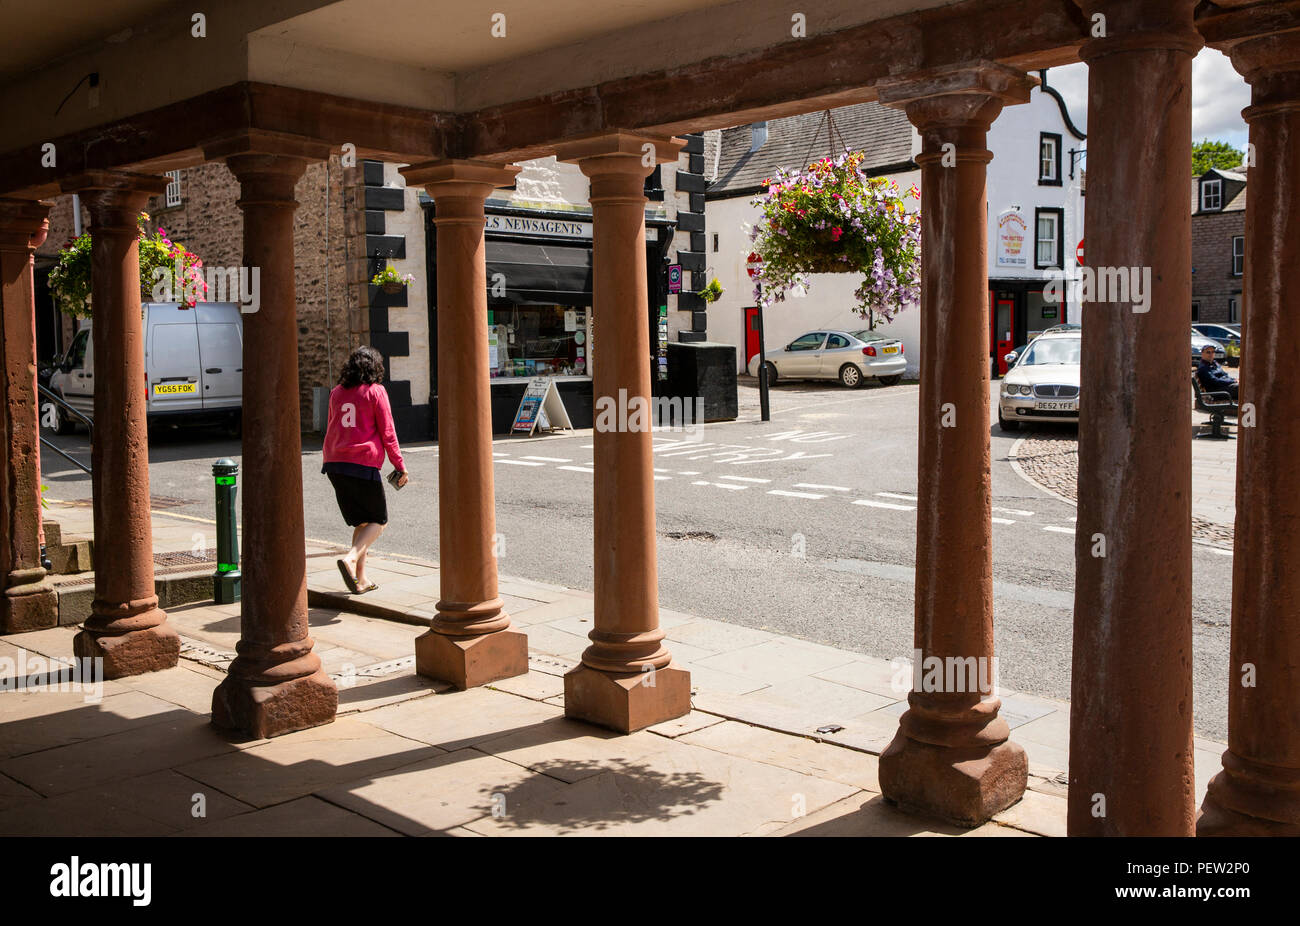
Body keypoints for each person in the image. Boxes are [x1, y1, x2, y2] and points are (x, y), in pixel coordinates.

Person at [322, 346, 408, 593]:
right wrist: (399, 466)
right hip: (362, 462)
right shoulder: (375, 392)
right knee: (379, 522)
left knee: (361, 524)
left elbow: (331, 425)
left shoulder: (337, 392)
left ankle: (361, 579)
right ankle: (349, 559)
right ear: (375, 367)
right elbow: (388, 433)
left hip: (335, 463)